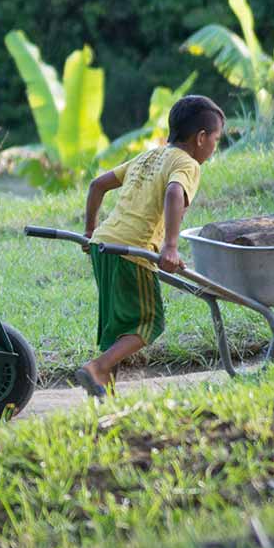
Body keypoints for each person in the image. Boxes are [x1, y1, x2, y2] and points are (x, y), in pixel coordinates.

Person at [75, 95, 225, 397]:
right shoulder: (188, 164)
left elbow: (97, 185)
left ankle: (107, 391)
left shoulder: (148, 156)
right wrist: (170, 247)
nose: (214, 146)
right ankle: (97, 369)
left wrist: (91, 231)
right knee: (149, 322)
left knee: (117, 326)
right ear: (200, 138)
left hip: (103, 246)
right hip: (133, 251)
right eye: (216, 139)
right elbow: (173, 193)